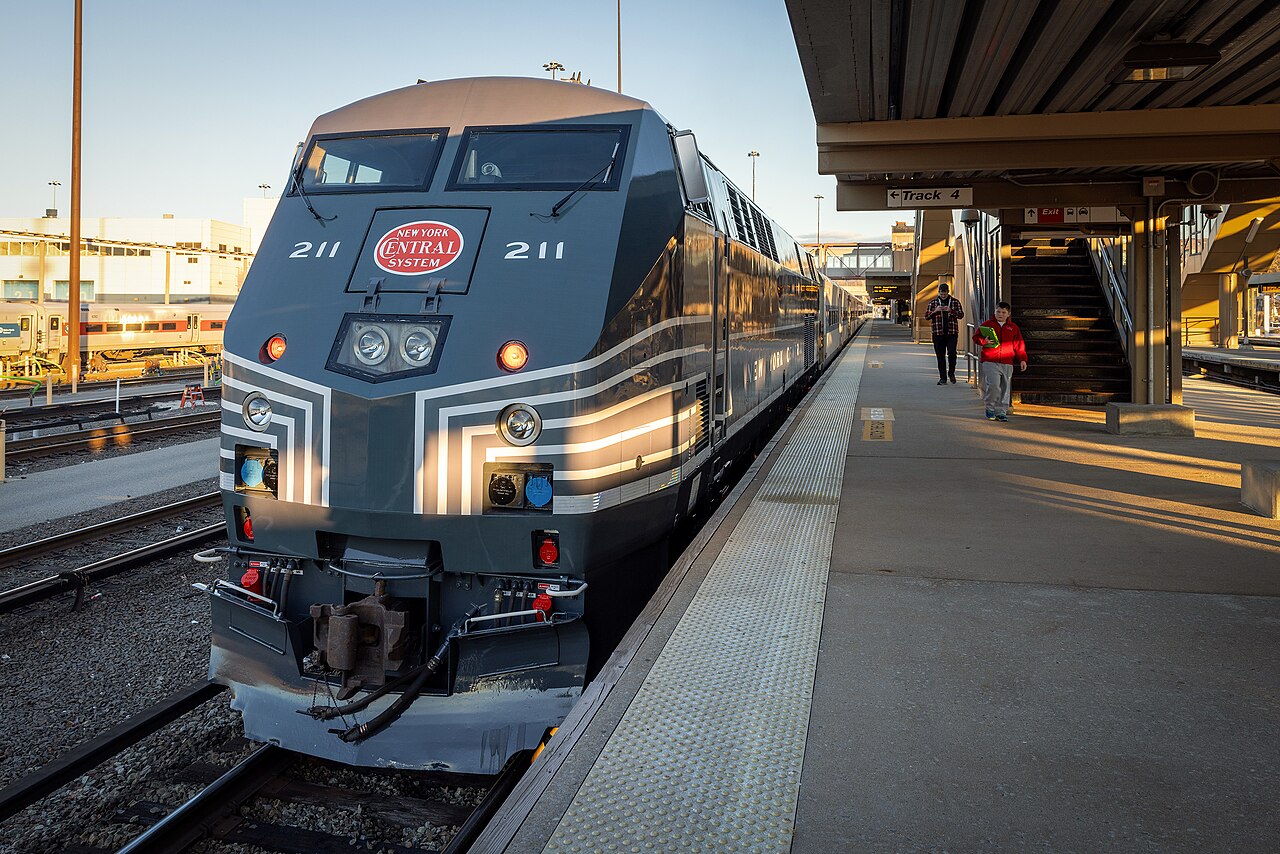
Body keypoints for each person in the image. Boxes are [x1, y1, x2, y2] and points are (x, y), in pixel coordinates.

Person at [972, 301, 1028, 422]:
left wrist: (1022, 359)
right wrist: (984, 341)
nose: (1000, 314)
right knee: (994, 385)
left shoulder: (1013, 328)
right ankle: (990, 408)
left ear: (1008, 314)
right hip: (990, 360)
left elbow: (1019, 344)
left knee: (1005, 386)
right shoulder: (987, 325)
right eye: (998, 311)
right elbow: (975, 338)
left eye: (1003, 312)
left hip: (1007, 361)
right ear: (995, 311)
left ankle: (1001, 411)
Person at [924, 282, 964, 384]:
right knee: (940, 356)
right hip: (938, 333)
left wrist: (951, 311)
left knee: (952, 353)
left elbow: (961, 315)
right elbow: (927, 316)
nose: (943, 296)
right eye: (941, 294)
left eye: (945, 294)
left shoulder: (955, 302)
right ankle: (943, 377)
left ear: (948, 292)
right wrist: (936, 311)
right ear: (939, 293)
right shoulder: (933, 303)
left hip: (952, 332)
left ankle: (951, 373)